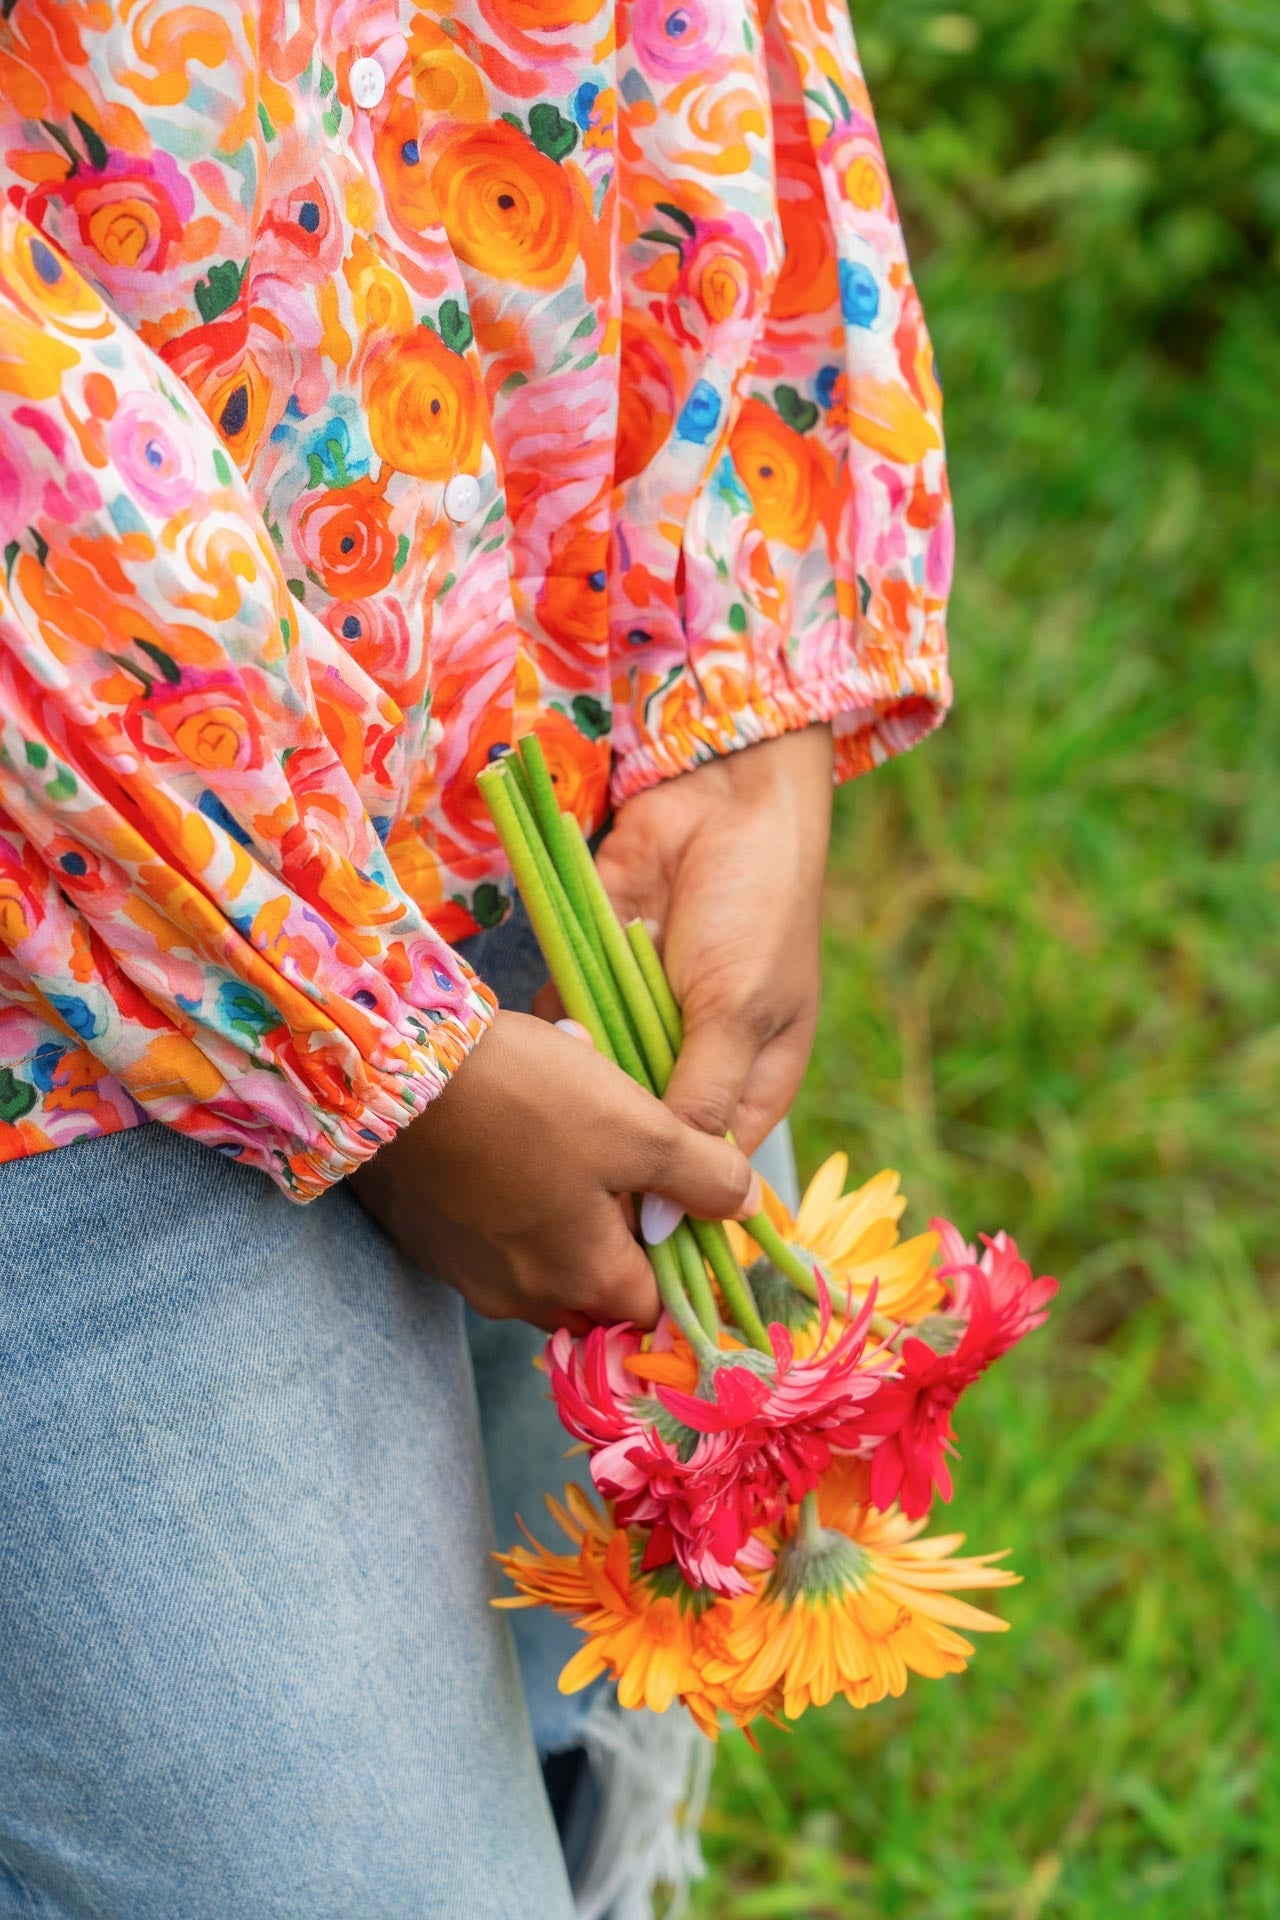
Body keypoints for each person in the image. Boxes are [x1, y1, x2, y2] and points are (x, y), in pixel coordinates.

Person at [0, 0, 952, 1913]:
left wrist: (739, 671)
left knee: (576, 1672)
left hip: (547, 666)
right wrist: (344, 1034)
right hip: (79, 963)